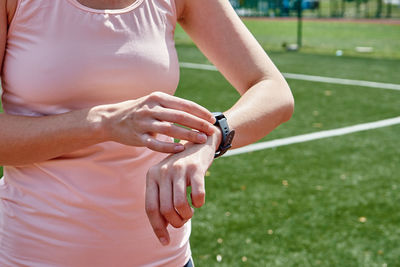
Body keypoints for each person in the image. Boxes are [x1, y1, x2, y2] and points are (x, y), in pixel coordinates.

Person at [0, 0, 294, 266]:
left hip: (166, 259)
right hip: (31, 257)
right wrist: (102, 122)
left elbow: (273, 91)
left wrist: (210, 137)